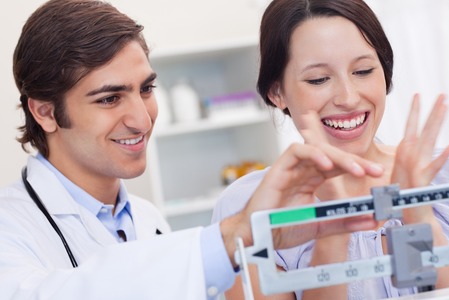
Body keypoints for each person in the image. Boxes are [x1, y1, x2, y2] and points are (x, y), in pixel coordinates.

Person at [0, 0, 388, 299]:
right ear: (45, 112)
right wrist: (234, 235)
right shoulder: (11, 227)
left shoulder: (147, 220)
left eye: (146, 89)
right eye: (109, 99)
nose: (142, 118)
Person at [211, 0, 449, 299]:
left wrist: (421, 219)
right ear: (277, 92)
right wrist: (332, 236)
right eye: (319, 79)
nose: (348, 98)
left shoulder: (440, 175)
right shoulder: (248, 206)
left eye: (363, 71)